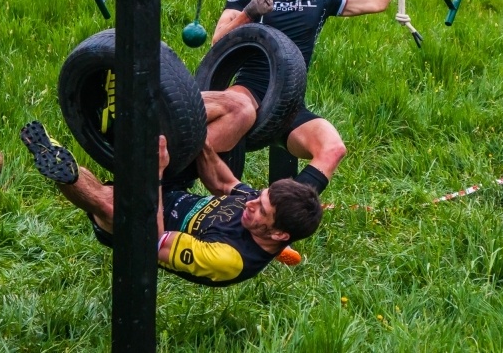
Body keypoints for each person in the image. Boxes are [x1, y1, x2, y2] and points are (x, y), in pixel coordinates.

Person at [200, 0, 409, 196]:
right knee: (238, 111)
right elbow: (218, 42)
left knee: (332, 148)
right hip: (248, 91)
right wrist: (249, 12)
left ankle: (276, 209)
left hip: (288, 104)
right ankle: (164, 164)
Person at [20, 120, 323, 287]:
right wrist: (198, 134)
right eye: (259, 195)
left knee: (113, 206)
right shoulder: (255, 206)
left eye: (262, 210)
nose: (251, 203)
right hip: (173, 188)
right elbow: (223, 182)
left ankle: (57, 162)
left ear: (279, 233)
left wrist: (156, 173)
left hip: (147, 227)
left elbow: (152, 243)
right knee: (236, 111)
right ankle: (115, 106)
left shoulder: (229, 259)